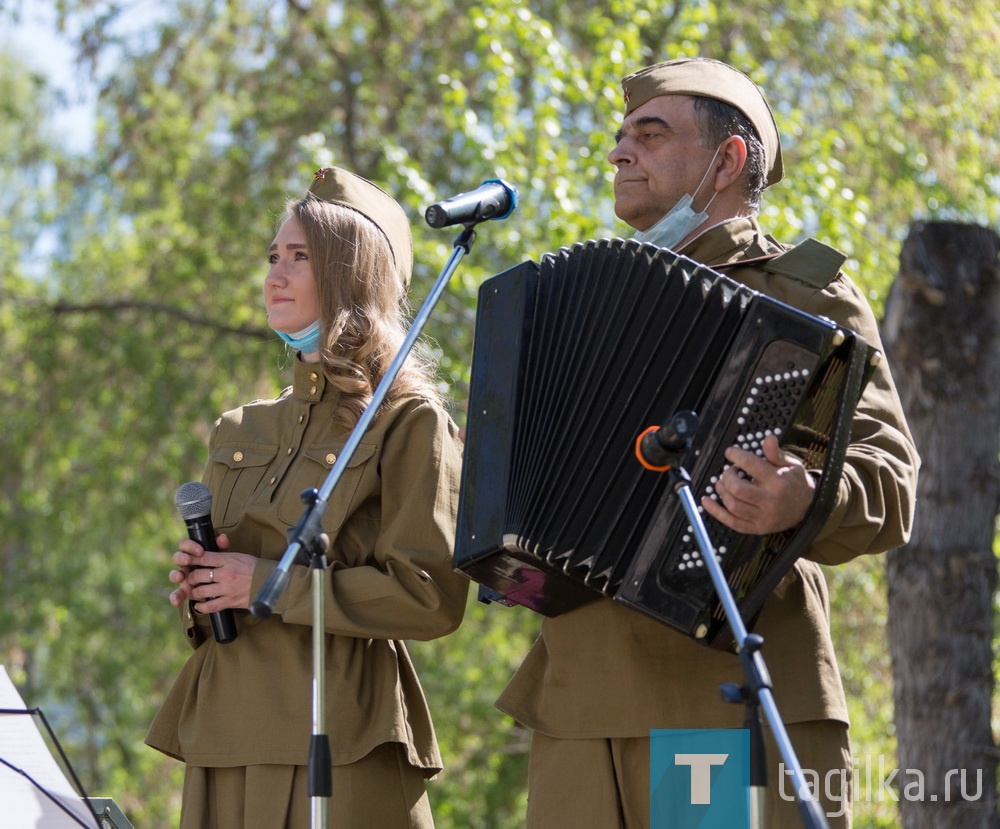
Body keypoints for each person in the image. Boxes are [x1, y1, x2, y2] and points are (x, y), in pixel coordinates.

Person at [494, 57, 919, 828]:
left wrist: (802, 495)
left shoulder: (802, 292)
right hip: (577, 702)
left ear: (726, 160)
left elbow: (890, 483)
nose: (620, 152)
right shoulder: (575, 303)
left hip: (722, 691)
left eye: (650, 136)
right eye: (621, 137)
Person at [146, 167, 470, 829]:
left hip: (341, 737)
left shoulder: (408, 420)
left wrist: (265, 582)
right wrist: (202, 585)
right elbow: (222, 594)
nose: (275, 274)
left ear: (353, 275)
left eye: (300, 257)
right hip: (223, 733)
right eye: (272, 256)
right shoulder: (238, 427)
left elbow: (430, 596)